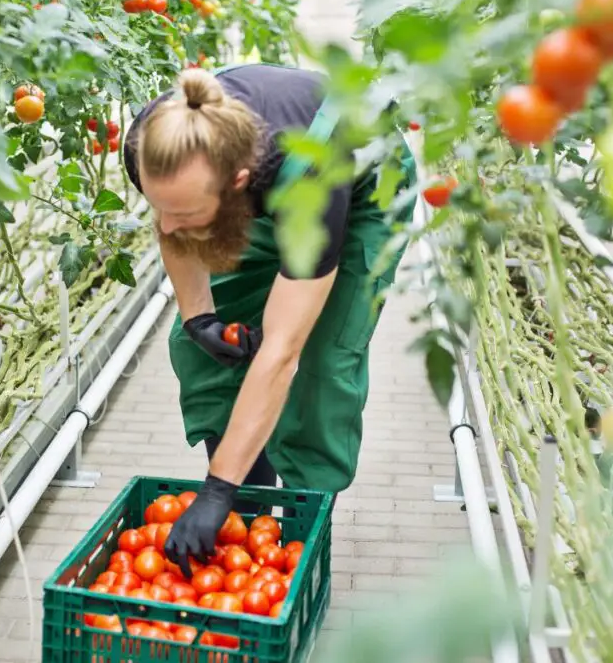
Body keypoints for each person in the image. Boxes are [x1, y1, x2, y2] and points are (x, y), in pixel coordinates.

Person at [122, 63, 417, 577]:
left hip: (362, 188)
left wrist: (214, 489)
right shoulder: (156, 141)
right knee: (204, 351)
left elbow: (283, 350)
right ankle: (248, 520)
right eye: (161, 207)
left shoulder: (309, 179)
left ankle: (299, 544)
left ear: (237, 184)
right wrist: (198, 317)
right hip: (261, 189)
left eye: (185, 211)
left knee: (323, 367)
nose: (165, 224)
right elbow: (173, 227)